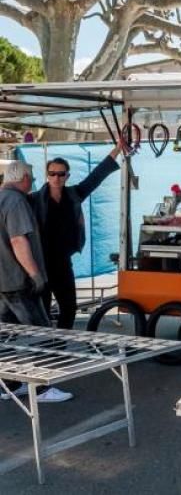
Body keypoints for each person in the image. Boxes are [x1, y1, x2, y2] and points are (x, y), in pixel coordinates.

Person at [30, 142, 124, 330]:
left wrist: (117, 149)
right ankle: (44, 344)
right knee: (42, 311)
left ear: (67, 176)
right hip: (41, 263)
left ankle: (62, 342)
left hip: (63, 262)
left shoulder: (73, 194)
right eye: (52, 173)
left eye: (61, 174)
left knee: (69, 307)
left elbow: (96, 177)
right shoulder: (34, 199)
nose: (56, 178)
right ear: (47, 175)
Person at [0, 161, 72, 402]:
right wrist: (35, 274)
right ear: (23, 178)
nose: (32, 182)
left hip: (2, 281)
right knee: (40, 332)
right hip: (18, 281)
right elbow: (18, 241)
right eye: (30, 178)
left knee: (7, 335)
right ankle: (42, 388)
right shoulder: (16, 201)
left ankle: (9, 384)